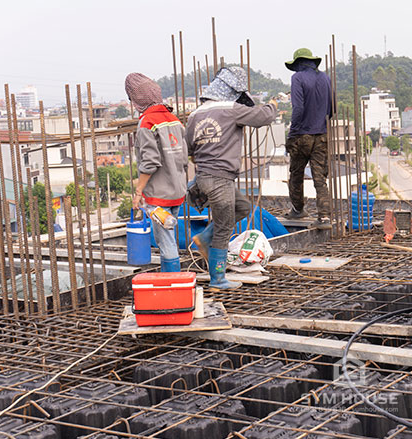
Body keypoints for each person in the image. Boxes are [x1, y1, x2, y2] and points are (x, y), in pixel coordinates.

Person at [187, 67, 277, 289]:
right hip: (220, 177)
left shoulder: (195, 114)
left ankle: (204, 238)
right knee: (225, 228)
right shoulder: (231, 109)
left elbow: (188, 147)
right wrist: (273, 104)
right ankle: (218, 278)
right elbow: (263, 116)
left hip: (203, 177)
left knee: (243, 207)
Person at [126, 72, 188, 272]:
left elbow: (150, 162)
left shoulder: (147, 123)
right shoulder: (173, 119)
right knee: (169, 239)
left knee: (166, 243)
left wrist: (138, 192)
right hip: (178, 191)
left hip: (159, 196)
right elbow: (184, 156)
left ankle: (174, 285)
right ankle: (173, 281)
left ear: (136, 99)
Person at [283, 48, 333, 230]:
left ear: (298, 63)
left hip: (301, 135)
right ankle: (325, 217)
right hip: (321, 135)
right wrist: (319, 123)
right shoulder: (325, 78)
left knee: (296, 174)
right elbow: (332, 108)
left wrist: (293, 133)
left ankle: (298, 209)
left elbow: (298, 108)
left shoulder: (297, 78)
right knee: (320, 177)